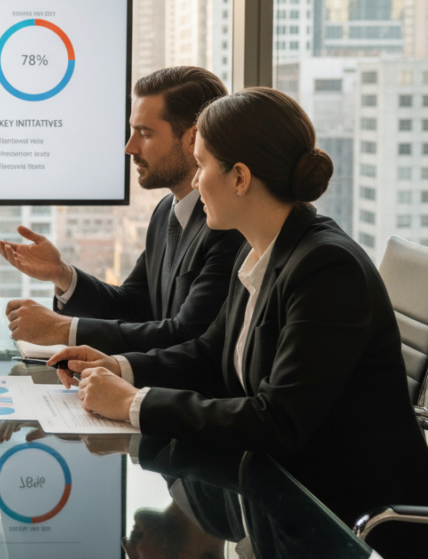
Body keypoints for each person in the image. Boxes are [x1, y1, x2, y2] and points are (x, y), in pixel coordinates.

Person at [52, 87, 428, 556]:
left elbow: (278, 420)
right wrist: (119, 366)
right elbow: (209, 353)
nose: (196, 179)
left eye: (202, 164)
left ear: (240, 177)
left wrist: (134, 403)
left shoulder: (327, 268)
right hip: (277, 501)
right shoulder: (258, 247)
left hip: (345, 520)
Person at [0, 66, 245, 354]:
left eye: (144, 133)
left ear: (193, 139)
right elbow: (134, 304)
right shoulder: (166, 211)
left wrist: (62, 329)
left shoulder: (228, 225)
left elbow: (186, 336)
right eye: (132, 131)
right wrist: (62, 274)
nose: (129, 147)